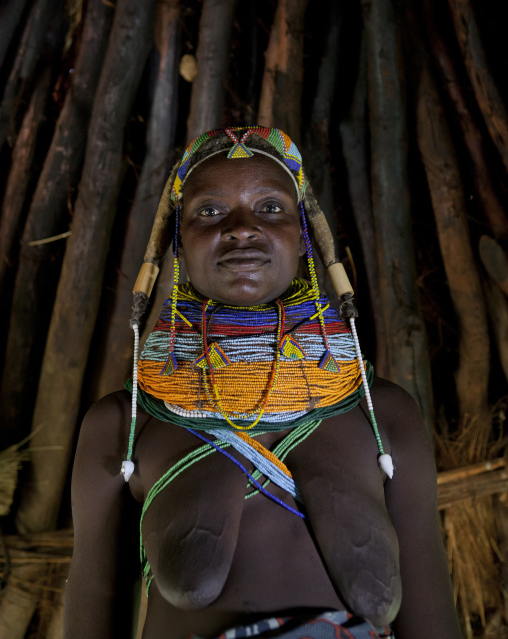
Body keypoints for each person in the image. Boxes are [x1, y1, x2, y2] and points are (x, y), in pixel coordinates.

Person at [64, 127, 463, 639]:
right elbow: (93, 617)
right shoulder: (126, 423)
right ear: (178, 246)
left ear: (303, 239)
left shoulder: (381, 415)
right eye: (209, 211)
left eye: (270, 207)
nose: (241, 228)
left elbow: (433, 623)